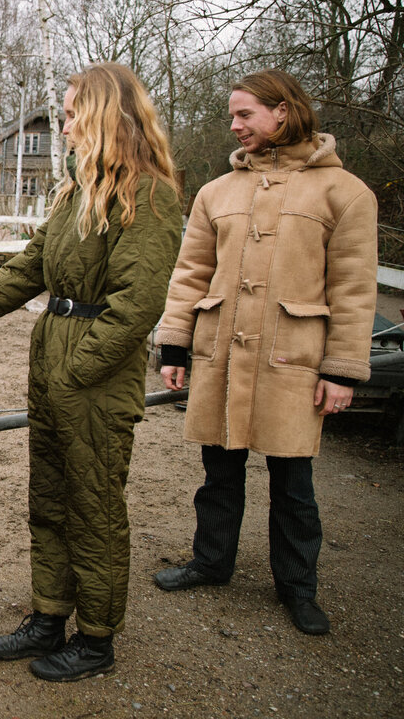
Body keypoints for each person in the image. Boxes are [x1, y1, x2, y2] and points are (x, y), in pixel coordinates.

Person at [0, 62, 183, 682]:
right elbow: (29, 270)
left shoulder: (148, 194)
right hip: (53, 359)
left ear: (108, 113)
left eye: (75, 109)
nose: (67, 121)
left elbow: (137, 306)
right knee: (50, 500)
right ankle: (49, 616)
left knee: (95, 506)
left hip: (94, 377)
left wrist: (77, 371)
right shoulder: (77, 190)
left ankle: (97, 637)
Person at [153, 69, 378, 636]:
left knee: (294, 485)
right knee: (217, 473)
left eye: (245, 113)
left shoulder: (344, 193)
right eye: (232, 115)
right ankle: (211, 563)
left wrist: (342, 371)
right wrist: (175, 345)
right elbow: (190, 276)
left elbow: (354, 290)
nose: (235, 125)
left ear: (283, 111)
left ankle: (298, 588)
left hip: (293, 361)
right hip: (221, 356)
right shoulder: (216, 192)